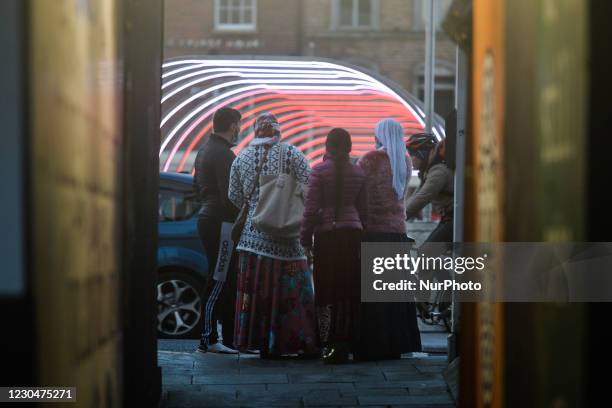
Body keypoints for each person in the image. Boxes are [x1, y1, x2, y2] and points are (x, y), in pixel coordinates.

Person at [228, 112, 320, 358]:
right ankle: (290, 342)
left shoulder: (242, 157)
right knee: (291, 294)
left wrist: (257, 208)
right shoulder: (292, 153)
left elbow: (234, 195)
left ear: (256, 130)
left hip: (252, 237)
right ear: (278, 131)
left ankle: (259, 342)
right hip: (288, 239)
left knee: (256, 293)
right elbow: (310, 189)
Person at [355, 118, 422, 360]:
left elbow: (357, 191)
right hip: (397, 232)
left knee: (374, 294)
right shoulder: (404, 159)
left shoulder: (370, 159)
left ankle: (375, 342)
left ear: (379, 135)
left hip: (373, 231)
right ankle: (397, 342)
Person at [300, 128, 368, 364]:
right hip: (352, 235)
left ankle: (327, 342)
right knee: (348, 288)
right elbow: (364, 210)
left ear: (327, 146)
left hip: (327, 237)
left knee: (326, 288)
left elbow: (310, 210)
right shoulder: (358, 172)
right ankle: (348, 339)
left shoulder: (318, 171)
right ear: (349, 147)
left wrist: (305, 239)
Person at [194, 107, 242, 354]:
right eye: (239, 125)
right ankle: (209, 338)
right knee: (219, 277)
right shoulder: (224, 154)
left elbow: (196, 188)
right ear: (233, 125)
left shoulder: (203, 151)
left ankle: (227, 338)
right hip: (222, 222)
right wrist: (241, 219)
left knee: (222, 277)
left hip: (206, 216)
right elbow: (230, 196)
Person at [405, 133, 454, 242]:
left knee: (427, 253)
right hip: (448, 219)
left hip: (455, 220)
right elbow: (416, 196)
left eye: (412, 154)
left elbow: (422, 198)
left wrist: (400, 217)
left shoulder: (439, 172)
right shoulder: (429, 172)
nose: (410, 159)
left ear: (422, 154)